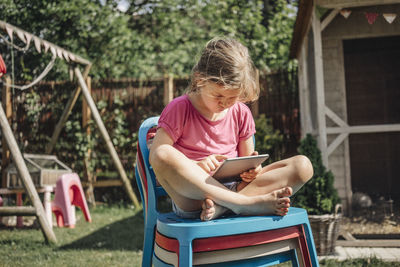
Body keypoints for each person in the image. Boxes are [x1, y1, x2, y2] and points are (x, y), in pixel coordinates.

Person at [149, 37, 313, 221]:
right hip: (195, 198)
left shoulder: (241, 113)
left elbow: (247, 165)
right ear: (199, 80)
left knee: (303, 166)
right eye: (218, 95)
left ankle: (226, 207)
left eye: (232, 97)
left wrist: (253, 171)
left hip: (237, 190)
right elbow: (158, 162)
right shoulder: (179, 109)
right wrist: (196, 167)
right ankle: (242, 205)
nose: (224, 103)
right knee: (161, 153)